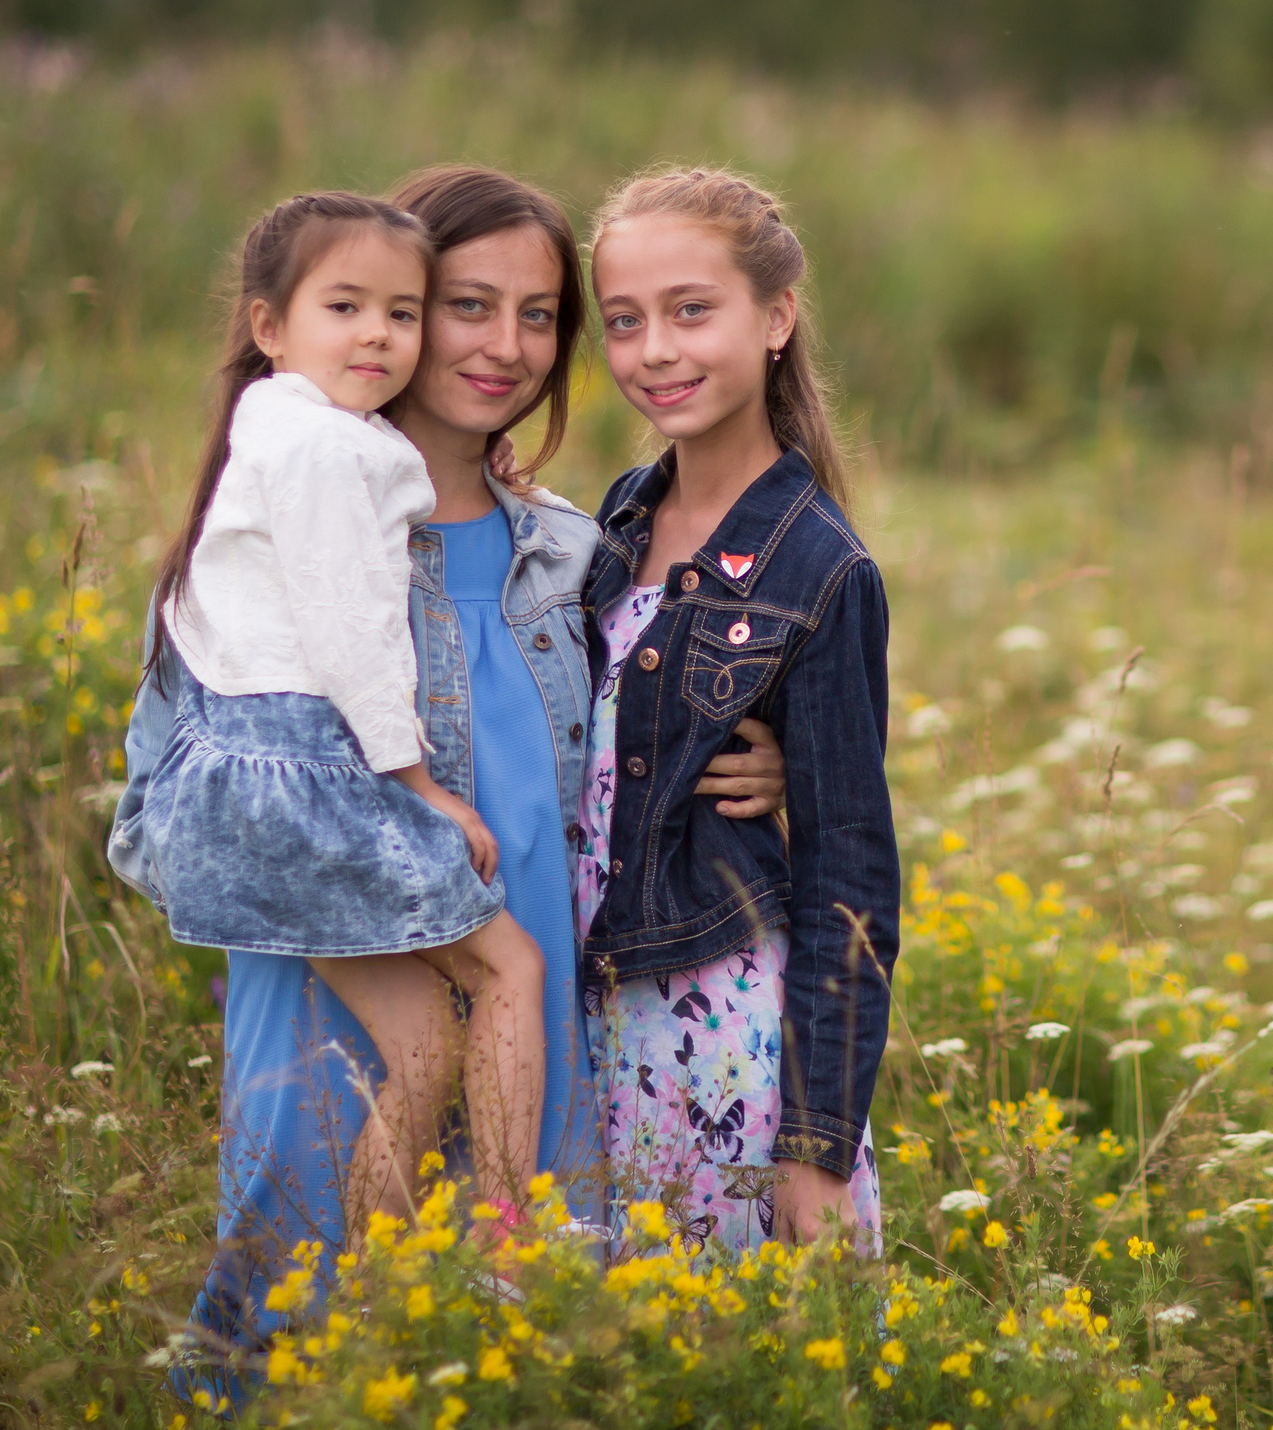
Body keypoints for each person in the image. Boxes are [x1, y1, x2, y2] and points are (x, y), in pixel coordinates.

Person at [129, 173, 789, 1402]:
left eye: (539, 316)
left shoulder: (568, 549)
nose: (504, 347)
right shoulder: (275, 533)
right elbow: (177, 784)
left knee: (491, 1347)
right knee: (296, 1329)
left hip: (521, 989)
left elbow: (646, 742)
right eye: (464, 304)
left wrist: (768, 761)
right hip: (345, 970)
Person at [108, 190, 547, 1276]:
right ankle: (508, 1242)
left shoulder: (273, 432)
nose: (377, 337)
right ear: (269, 325)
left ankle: (373, 1296)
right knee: (512, 973)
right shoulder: (322, 453)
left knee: (421, 1047)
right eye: (344, 307)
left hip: (244, 781)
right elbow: (354, 631)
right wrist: (420, 786)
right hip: (301, 777)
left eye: (401, 314)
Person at [578, 167, 898, 1252]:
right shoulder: (621, 520)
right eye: (624, 322)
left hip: (719, 1040)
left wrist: (812, 1150)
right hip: (592, 1011)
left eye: (690, 311)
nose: (654, 351)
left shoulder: (819, 566)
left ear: (775, 317)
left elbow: (853, 874)